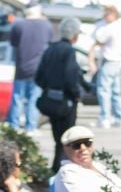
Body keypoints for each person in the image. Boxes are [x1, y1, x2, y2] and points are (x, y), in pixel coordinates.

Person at [36, 17, 92, 170]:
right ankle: (61, 170)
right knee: (68, 140)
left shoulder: (50, 49)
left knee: (58, 139)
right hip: (65, 102)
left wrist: (49, 89)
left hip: (51, 100)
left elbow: (38, 77)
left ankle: (56, 168)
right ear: (74, 35)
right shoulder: (68, 51)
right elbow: (71, 76)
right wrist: (76, 94)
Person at [6, 2, 54, 133]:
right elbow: (49, 44)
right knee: (34, 100)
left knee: (17, 99)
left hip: (21, 67)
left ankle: (13, 126)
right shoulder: (46, 25)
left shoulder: (18, 24)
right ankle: (31, 127)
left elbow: (14, 44)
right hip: (39, 69)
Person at [89, 5, 121, 128]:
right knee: (116, 91)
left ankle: (105, 117)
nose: (105, 17)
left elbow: (99, 40)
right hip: (120, 62)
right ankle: (120, 117)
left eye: (106, 14)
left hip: (110, 60)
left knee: (104, 90)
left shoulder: (110, 28)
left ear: (113, 14)